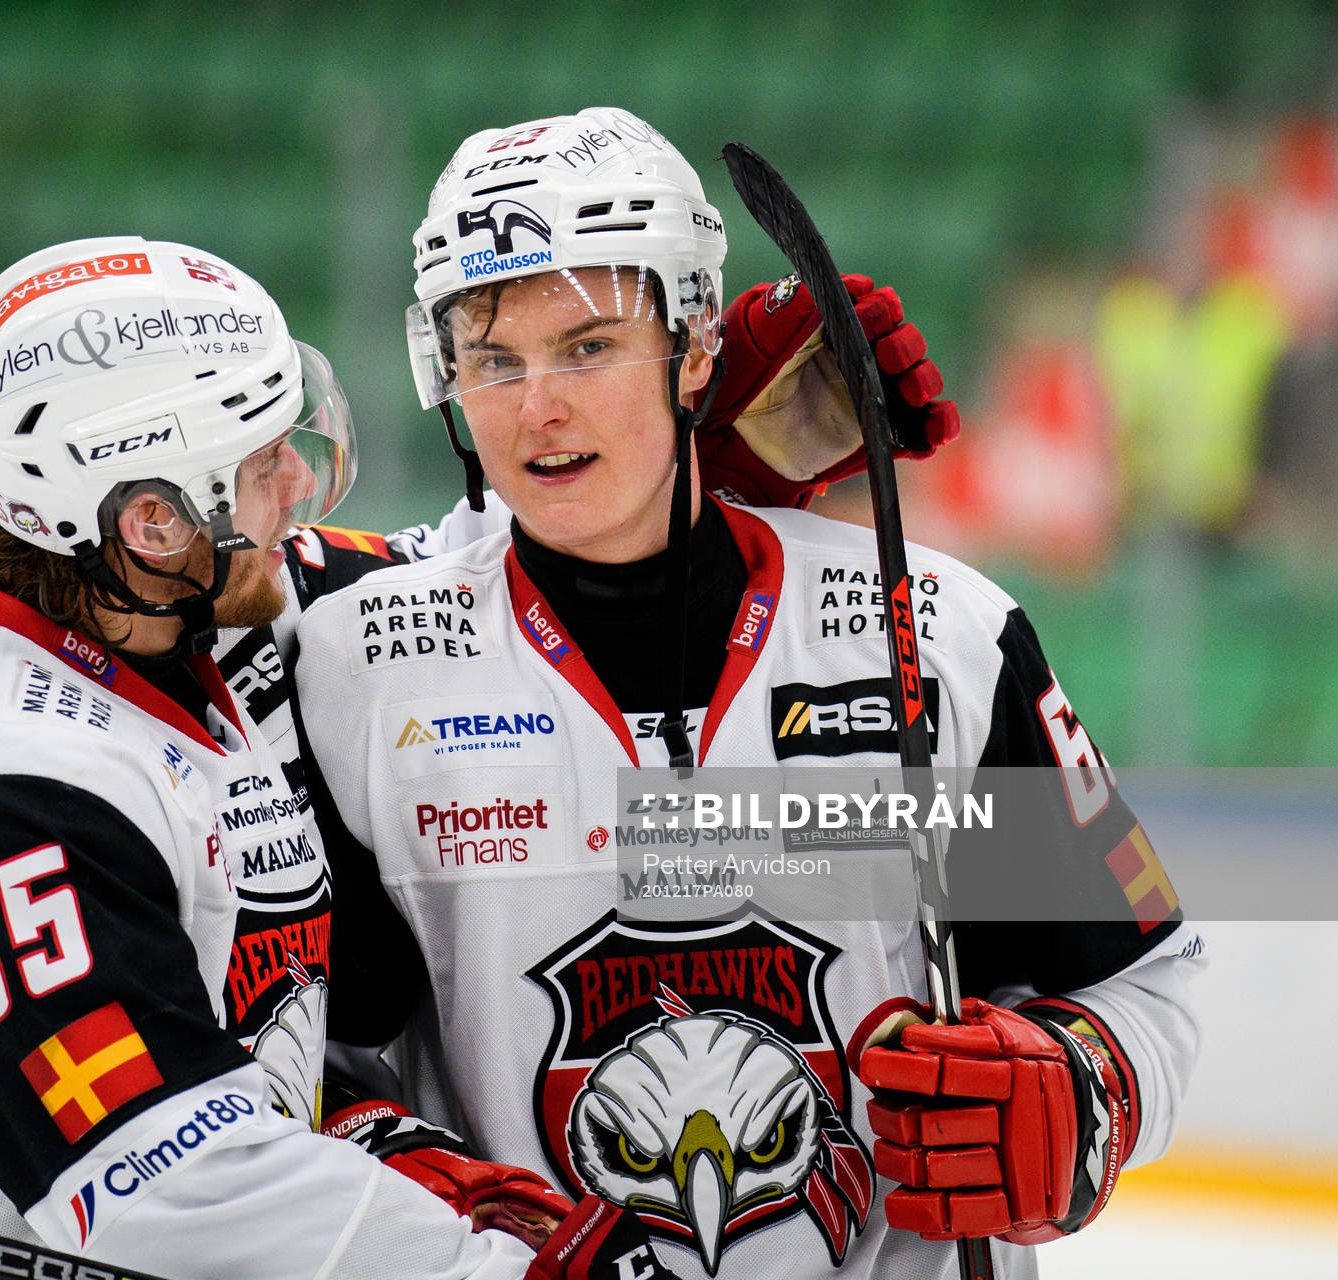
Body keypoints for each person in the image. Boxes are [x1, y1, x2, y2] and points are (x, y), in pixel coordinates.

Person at [293, 108, 1205, 1280]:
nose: (537, 409)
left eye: (587, 347)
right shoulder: (360, 667)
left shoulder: (935, 630)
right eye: (493, 360)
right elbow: (298, 1063)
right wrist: (390, 1169)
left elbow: (1140, 977)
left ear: (696, 351)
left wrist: (1085, 1090)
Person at [0, 237, 712, 1280]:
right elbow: (178, 1188)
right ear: (153, 519)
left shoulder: (146, 598)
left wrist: (689, 432)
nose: (300, 480)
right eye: (263, 461)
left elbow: (452, 574)